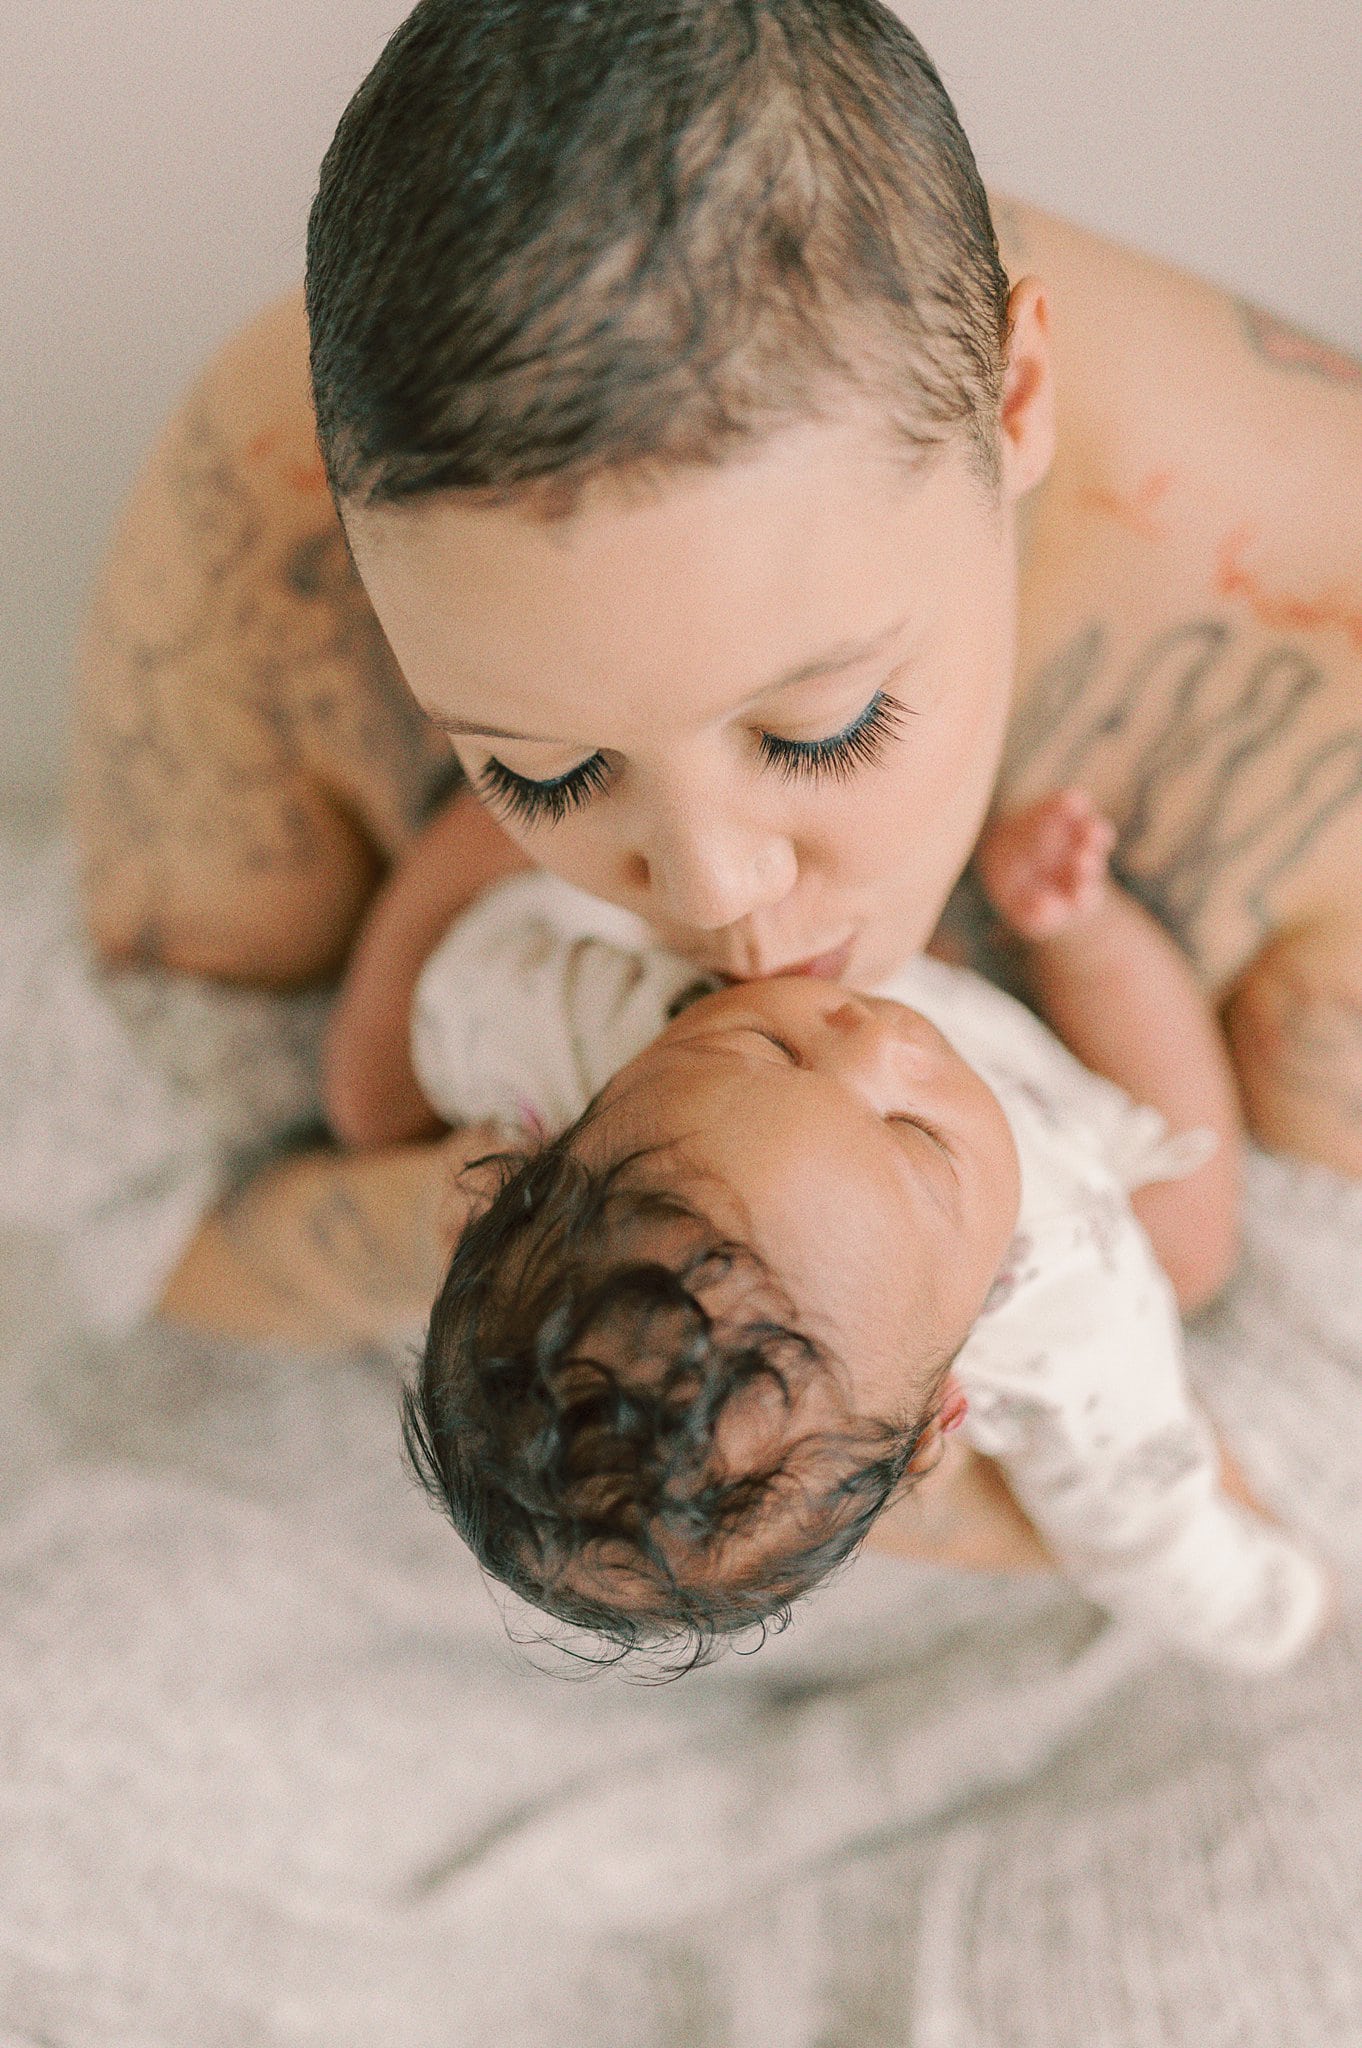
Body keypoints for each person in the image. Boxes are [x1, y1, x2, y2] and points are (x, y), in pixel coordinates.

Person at [69, 0, 1362, 1572]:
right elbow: (120, 1220)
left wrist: (847, 1462)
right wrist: (517, 1290)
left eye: (820, 731)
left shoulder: (1321, 637)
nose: (713, 899)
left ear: (1015, 402)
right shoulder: (275, 509)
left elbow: (1289, 1477)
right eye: (535, 772)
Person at [331, 784, 1328, 1672]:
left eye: (767, 1046)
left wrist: (544, 830)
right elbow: (1143, 1524)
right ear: (949, 1406)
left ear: (553, 1140)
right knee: (1193, 1239)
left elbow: (469, 966)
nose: (878, 1035)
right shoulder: (1071, 1292)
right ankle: (1081, 925)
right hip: (1069, 1131)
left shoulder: (574, 1018)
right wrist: (1278, 1608)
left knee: (377, 1098)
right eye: (914, 1137)